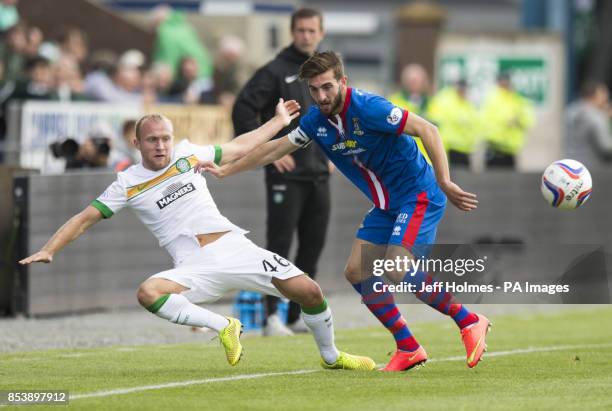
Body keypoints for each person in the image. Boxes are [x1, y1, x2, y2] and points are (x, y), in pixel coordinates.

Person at [19, 98, 375, 371]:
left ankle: (331, 356)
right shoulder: (126, 184)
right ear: (137, 142)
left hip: (234, 247)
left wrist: (278, 122)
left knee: (309, 291)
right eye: (153, 140)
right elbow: (84, 218)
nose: (161, 146)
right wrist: (50, 249)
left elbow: (238, 147)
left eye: (165, 139)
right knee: (148, 292)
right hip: (194, 265)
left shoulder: (187, 154)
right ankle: (224, 325)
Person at [203, 51, 491, 371]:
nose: (321, 96)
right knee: (356, 271)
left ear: (343, 82)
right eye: (314, 90)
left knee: (397, 267)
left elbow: (429, 130)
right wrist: (228, 170)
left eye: (327, 87)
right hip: (386, 205)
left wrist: (445, 181)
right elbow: (274, 148)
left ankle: (469, 320)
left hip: (418, 195)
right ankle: (408, 346)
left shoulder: (369, 107)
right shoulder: (315, 121)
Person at [232, 8, 331, 336]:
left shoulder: (323, 73)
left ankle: (295, 315)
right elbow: (243, 109)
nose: (306, 36)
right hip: (286, 177)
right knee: (279, 247)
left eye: (311, 30)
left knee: (311, 248)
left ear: (321, 32)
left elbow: (335, 117)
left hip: (318, 175)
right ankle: (272, 315)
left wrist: (336, 152)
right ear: (293, 32)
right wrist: (267, 153)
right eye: (300, 30)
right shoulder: (274, 71)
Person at [480, 72, 534, 168]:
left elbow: (528, 119)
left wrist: (518, 121)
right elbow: (487, 120)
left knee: (510, 179)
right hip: (495, 147)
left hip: (510, 149)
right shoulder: (493, 98)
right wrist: (508, 120)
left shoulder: (517, 99)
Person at [426, 79, 482, 167]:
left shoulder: (467, 102)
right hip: (448, 147)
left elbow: (475, 123)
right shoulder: (444, 99)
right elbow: (434, 120)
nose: (463, 92)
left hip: (465, 148)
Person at [388, 63, 432, 162]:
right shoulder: (394, 102)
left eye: (418, 81)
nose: (415, 84)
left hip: (430, 162)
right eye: (412, 81)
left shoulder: (433, 103)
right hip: (405, 162)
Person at [566, 80, 612, 167]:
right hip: (592, 167)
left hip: (569, 163)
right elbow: (605, 146)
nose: (605, 98)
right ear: (595, 95)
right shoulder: (596, 115)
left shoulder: (570, 111)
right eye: (603, 95)